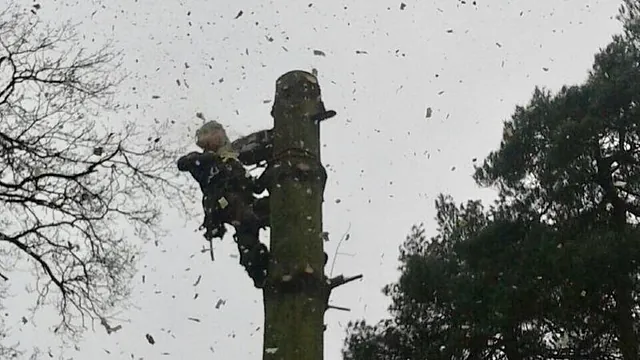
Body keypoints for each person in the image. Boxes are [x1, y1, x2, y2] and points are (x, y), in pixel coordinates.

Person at [177, 120, 270, 288]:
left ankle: (270, 261)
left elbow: (254, 187)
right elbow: (182, 163)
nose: (220, 136)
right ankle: (257, 268)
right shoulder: (202, 161)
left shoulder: (232, 162)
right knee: (246, 219)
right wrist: (210, 157)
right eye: (215, 133)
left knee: (268, 210)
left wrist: (270, 170)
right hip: (222, 201)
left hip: (245, 201)